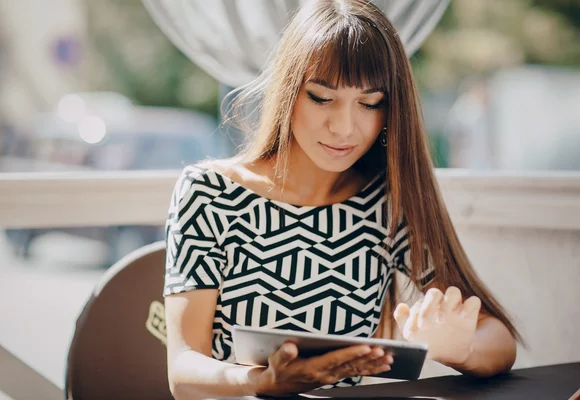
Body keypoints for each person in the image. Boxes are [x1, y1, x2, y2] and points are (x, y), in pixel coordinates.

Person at [163, 0, 522, 398]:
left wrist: (460, 348)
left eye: (369, 104)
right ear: (288, 91)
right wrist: (262, 381)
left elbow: (499, 339)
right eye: (321, 97)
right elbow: (182, 372)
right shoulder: (210, 193)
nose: (344, 127)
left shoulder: (387, 202)